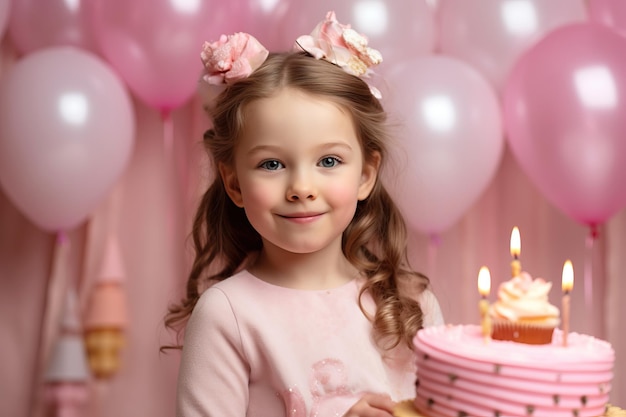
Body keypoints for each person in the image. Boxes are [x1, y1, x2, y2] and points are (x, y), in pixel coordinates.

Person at [166, 11, 444, 417]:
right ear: (235, 184)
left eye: (329, 161)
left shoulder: (409, 303)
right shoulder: (228, 315)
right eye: (272, 165)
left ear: (366, 175)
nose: (301, 188)